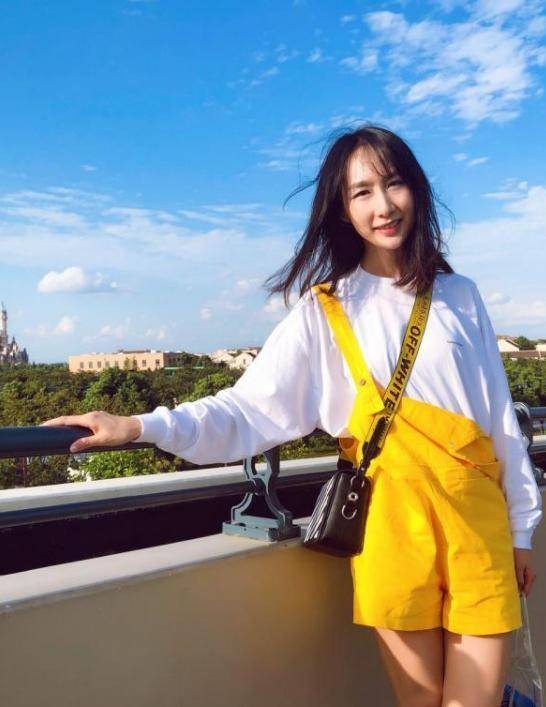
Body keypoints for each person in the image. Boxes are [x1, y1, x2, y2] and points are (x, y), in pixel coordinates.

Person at [42, 124, 542, 706]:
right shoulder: (326, 308)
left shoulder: (460, 295)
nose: (383, 206)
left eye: (394, 184)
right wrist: (140, 426)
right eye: (361, 192)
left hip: (477, 520)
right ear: (342, 209)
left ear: (417, 189)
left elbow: (501, 421)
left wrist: (521, 530)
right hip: (391, 523)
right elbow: (247, 410)